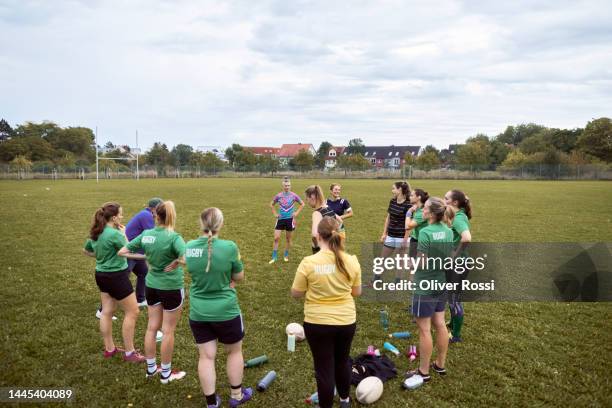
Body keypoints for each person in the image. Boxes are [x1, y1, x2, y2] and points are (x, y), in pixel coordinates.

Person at [291, 217, 362, 408]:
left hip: (317, 322)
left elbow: (296, 293)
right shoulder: (352, 261)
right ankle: (345, 400)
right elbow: (357, 292)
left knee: (324, 369)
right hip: (346, 321)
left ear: (318, 236)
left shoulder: (309, 262)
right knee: (342, 361)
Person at [185, 207, 252, 408]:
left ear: (201, 223)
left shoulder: (189, 247)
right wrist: (228, 278)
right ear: (220, 224)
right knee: (234, 352)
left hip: (199, 311)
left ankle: (211, 402)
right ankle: (237, 396)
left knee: (206, 356)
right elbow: (239, 277)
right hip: (226, 311)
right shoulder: (230, 247)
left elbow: (194, 270)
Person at [118, 200, 186, 383]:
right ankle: (165, 373)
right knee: (168, 331)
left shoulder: (146, 234)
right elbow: (188, 259)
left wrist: (144, 255)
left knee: (151, 327)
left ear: (156, 216)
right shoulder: (174, 237)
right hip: (171, 287)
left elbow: (122, 252)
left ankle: (150, 370)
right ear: (171, 216)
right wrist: (177, 261)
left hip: (152, 286)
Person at [82, 202, 145, 363]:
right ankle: (130, 353)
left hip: (101, 275)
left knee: (107, 311)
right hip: (116, 277)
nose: (123, 217)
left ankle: (109, 349)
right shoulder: (115, 234)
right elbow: (128, 250)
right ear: (115, 218)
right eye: (121, 214)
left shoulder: (97, 232)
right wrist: (124, 234)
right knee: (133, 311)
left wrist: (101, 257)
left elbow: (86, 250)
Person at [405, 197, 454, 384]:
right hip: (440, 283)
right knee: (440, 324)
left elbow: (423, 262)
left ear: (432, 213)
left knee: (425, 329)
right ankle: (440, 364)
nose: (422, 210)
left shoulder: (425, 232)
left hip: (424, 286)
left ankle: (423, 371)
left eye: (425, 208)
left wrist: (411, 264)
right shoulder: (448, 231)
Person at [95, 197, 163, 319]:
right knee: (119, 281)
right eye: (160, 209)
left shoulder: (148, 215)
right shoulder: (146, 216)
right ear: (153, 209)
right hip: (129, 250)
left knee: (143, 272)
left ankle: (140, 299)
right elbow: (151, 236)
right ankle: (102, 310)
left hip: (135, 250)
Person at [444, 189, 472, 343]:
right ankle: (453, 322)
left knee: (455, 298)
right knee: (451, 296)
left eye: (446, 198)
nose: (443, 199)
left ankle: (456, 335)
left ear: (454, 202)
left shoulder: (459, 218)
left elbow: (466, 237)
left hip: (458, 264)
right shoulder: (457, 215)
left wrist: (455, 254)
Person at [376, 181, 411, 283]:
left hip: (402, 237)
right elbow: (388, 218)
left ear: (400, 189)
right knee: (382, 259)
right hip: (390, 236)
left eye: (393, 189)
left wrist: (405, 239)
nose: (392, 191)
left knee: (400, 261)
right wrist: (384, 233)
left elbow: (409, 225)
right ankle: (376, 279)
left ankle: (397, 282)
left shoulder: (408, 204)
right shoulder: (392, 201)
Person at [269, 177, 304, 264]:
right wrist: (275, 214)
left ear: (290, 186)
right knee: (276, 238)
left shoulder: (294, 195)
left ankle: (286, 255)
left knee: (288, 239)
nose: (287, 187)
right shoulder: (279, 196)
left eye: (288, 185)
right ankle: (274, 257)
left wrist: (296, 213)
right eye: (285, 185)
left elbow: (302, 204)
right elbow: (271, 204)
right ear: (283, 186)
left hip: (290, 220)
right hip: (280, 219)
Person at [305, 185, 341, 254]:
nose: (307, 202)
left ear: (312, 197)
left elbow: (314, 235)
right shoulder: (328, 207)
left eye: (307, 199)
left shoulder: (317, 213)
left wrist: (316, 248)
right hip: (333, 248)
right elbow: (339, 220)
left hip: (322, 251)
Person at [406, 189, 429, 258]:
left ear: (419, 197)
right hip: (415, 238)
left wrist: (409, 212)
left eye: (412, 195)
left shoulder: (422, 212)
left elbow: (407, 226)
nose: (409, 197)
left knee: (417, 264)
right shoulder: (418, 209)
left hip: (421, 241)